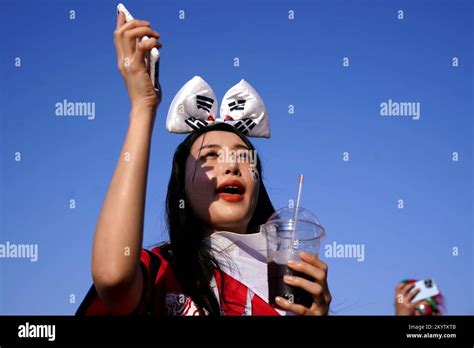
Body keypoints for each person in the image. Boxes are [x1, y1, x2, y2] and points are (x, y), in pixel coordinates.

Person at [76, 10, 331, 316]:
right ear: (180, 187)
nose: (231, 166)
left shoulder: (290, 290)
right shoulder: (162, 273)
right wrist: (143, 106)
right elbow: (113, 278)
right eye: (209, 156)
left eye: (243, 156)